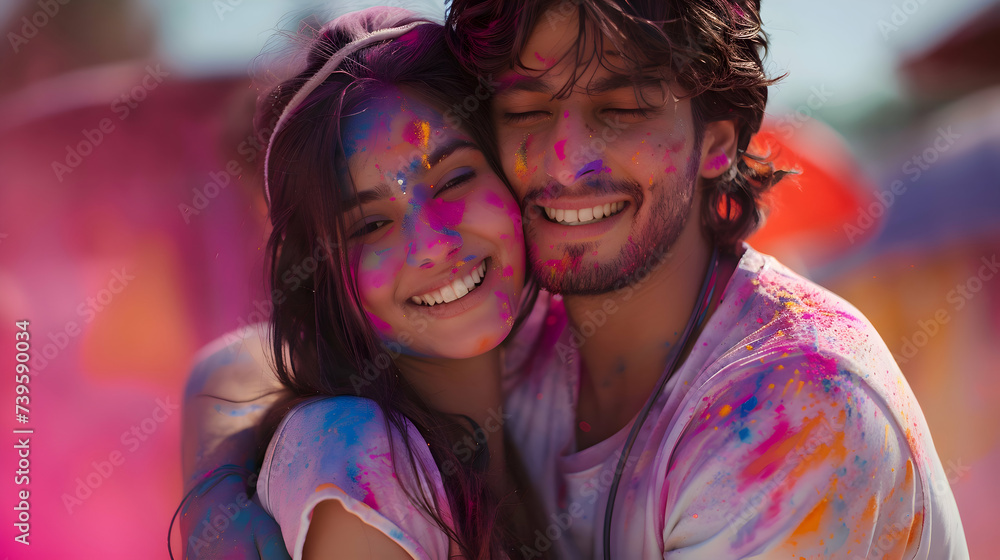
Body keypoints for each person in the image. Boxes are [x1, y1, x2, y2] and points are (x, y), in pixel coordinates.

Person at [181, 1, 970, 558]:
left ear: (717, 144)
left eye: (620, 108)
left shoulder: (795, 417)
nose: (565, 161)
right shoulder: (522, 330)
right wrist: (217, 481)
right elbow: (252, 362)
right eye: (526, 112)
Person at [176, 8, 542, 559]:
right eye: (371, 224)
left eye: (456, 178)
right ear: (320, 277)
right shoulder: (356, 458)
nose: (433, 244)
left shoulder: (561, 372)